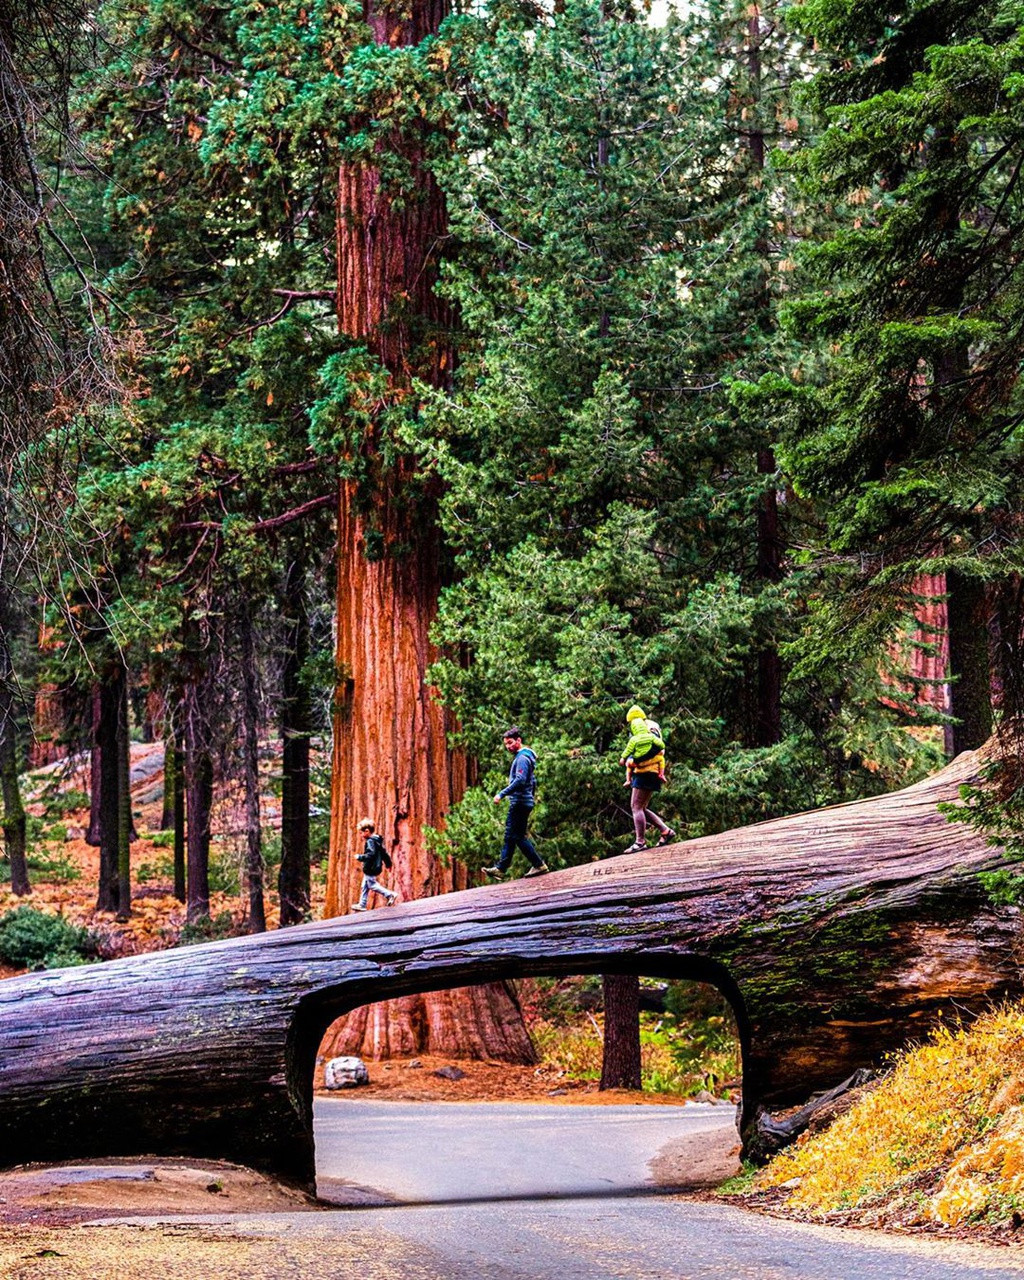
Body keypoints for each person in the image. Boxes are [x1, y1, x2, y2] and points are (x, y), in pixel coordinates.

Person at [483, 727, 549, 880]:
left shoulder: (522, 759)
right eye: (506, 744)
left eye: (510, 742)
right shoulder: (524, 758)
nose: (508, 746)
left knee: (515, 836)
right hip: (523, 801)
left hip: (519, 802)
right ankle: (503, 868)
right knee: (512, 835)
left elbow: (520, 781)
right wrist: (530, 798)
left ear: (519, 740)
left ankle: (537, 864)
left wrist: (502, 793)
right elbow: (532, 782)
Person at [620, 705, 675, 854]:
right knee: (641, 808)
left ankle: (640, 842)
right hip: (651, 771)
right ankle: (665, 831)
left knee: (636, 807)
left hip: (646, 771)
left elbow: (657, 749)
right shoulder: (648, 725)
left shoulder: (648, 727)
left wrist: (635, 761)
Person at [350, 818, 399, 911]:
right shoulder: (377, 841)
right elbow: (384, 853)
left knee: (372, 885)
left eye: (361, 833)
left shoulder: (370, 841)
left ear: (367, 831)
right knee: (364, 886)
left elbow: (370, 854)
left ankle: (390, 894)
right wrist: (388, 864)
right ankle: (362, 904)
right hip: (374, 867)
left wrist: (360, 857)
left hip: (371, 868)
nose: (360, 835)